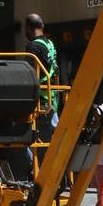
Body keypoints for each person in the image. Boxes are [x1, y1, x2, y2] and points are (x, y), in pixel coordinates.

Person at [24, 13, 59, 141]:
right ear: (42, 26)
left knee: (38, 136)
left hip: (41, 100)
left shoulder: (33, 46)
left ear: (28, 28)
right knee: (54, 129)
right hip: (52, 96)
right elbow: (55, 69)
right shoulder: (49, 43)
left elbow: (30, 73)